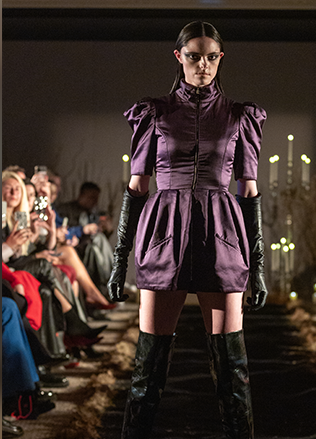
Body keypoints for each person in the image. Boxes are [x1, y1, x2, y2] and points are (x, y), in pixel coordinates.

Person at [108, 21, 267, 439]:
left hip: (222, 234)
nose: (203, 64)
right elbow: (136, 188)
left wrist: (259, 266)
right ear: (179, 57)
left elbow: (249, 192)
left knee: (232, 368)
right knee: (148, 367)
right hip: (165, 233)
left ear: (220, 60)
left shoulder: (239, 117)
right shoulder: (154, 113)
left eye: (211, 56)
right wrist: (117, 262)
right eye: (194, 56)